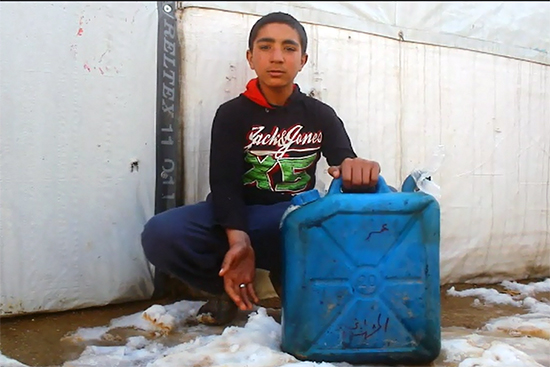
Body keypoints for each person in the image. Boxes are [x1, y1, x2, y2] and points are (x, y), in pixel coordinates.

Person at [141, 11, 381, 326]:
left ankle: (295, 286)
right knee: (161, 233)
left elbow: (343, 160)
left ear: (303, 59)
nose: (277, 57)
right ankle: (230, 292)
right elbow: (224, 185)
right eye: (266, 47)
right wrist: (238, 241)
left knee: (332, 226)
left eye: (289, 48)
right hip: (237, 218)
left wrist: (357, 168)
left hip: (292, 222)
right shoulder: (231, 114)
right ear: (250, 57)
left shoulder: (320, 114)